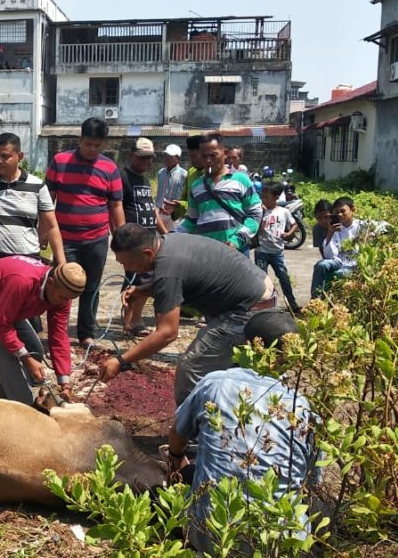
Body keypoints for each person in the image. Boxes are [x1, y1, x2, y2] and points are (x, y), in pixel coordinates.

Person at [164, 310, 316, 553]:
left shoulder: (215, 383)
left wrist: (175, 459)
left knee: (188, 477)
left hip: (213, 535)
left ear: (247, 346)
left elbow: (177, 436)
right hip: (280, 542)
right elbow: (311, 479)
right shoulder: (302, 406)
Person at [102, 224, 274, 405]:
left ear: (148, 254)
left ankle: (189, 429)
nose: (128, 269)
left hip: (247, 309)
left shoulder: (167, 269)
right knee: (232, 371)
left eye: (128, 264)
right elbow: (179, 280)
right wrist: (141, 290)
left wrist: (120, 360)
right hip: (260, 290)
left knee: (192, 369)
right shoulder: (168, 241)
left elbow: (167, 333)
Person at [0, 132, 65, 393]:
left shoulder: (37, 186)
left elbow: (51, 225)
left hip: (26, 267)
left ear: (20, 156)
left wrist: (61, 264)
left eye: (5, 156)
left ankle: (23, 371)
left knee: (20, 322)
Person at [0, 258, 85, 404]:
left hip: (6, 302)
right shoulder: (23, 281)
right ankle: (23, 406)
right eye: (62, 297)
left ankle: (2, 404)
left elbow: (59, 336)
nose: (64, 303)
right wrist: (24, 357)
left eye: (69, 299)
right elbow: (2, 325)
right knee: (8, 356)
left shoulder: (63, 293)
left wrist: (65, 382)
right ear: (50, 282)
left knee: (35, 350)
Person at [45, 117, 124, 347]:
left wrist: (121, 237)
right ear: (80, 139)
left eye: (97, 145)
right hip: (64, 239)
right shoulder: (60, 162)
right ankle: (57, 336)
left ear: (103, 144)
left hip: (96, 239)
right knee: (61, 285)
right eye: (88, 143)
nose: (92, 149)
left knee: (91, 288)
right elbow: (47, 200)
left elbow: (116, 205)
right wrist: (43, 232)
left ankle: (85, 334)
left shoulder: (109, 168)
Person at [174, 133, 261, 257]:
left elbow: (255, 213)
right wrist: (172, 235)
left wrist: (237, 240)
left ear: (224, 153)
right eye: (204, 156)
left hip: (236, 252)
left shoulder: (241, 179)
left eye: (213, 155)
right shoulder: (197, 186)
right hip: (207, 253)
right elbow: (192, 220)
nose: (209, 160)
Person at [121, 138, 168, 337]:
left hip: (150, 238)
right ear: (132, 155)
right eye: (142, 158)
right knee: (133, 279)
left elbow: (151, 208)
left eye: (149, 159)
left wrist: (164, 231)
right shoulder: (123, 176)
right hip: (133, 240)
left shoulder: (145, 180)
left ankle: (136, 319)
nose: (147, 163)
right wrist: (121, 232)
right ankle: (130, 321)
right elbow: (116, 206)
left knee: (147, 279)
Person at [311, 196, 384, 298]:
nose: (340, 214)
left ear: (352, 210)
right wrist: (330, 233)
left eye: (343, 211)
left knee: (339, 273)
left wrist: (375, 236)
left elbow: (385, 226)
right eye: (337, 212)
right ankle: (315, 299)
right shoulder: (335, 228)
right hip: (339, 261)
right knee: (321, 265)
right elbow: (329, 255)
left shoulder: (363, 225)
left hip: (357, 263)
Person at [255, 181, 301, 314]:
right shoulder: (259, 211)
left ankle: (291, 302)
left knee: (283, 277)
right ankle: (262, 303)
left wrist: (288, 234)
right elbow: (254, 228)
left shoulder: (283, 212)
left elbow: (294, 224)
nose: (263, 200)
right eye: (262, 197)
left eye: (266, 197)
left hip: (277, 252)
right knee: (261, 278)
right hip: (261, 251)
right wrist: (260, 217)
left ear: (276, 197)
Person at [155, 143, 185, 230]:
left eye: (170, 156)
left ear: (177, 158)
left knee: (173, 240)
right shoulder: (161, 172)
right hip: (159, 213)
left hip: (173, 216)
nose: (167, 158)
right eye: (166, 155)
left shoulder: (184, 175)